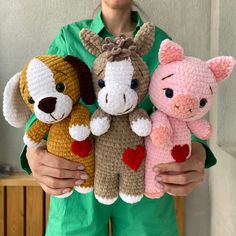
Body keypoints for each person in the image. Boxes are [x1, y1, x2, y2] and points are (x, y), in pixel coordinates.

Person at [22, 0, 217, 235]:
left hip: (145, 184)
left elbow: (185, 100)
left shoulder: (159, 41)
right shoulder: (69, 38)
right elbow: (40, 101)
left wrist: (197, 151)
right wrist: (34, 153)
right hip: (77, 183)